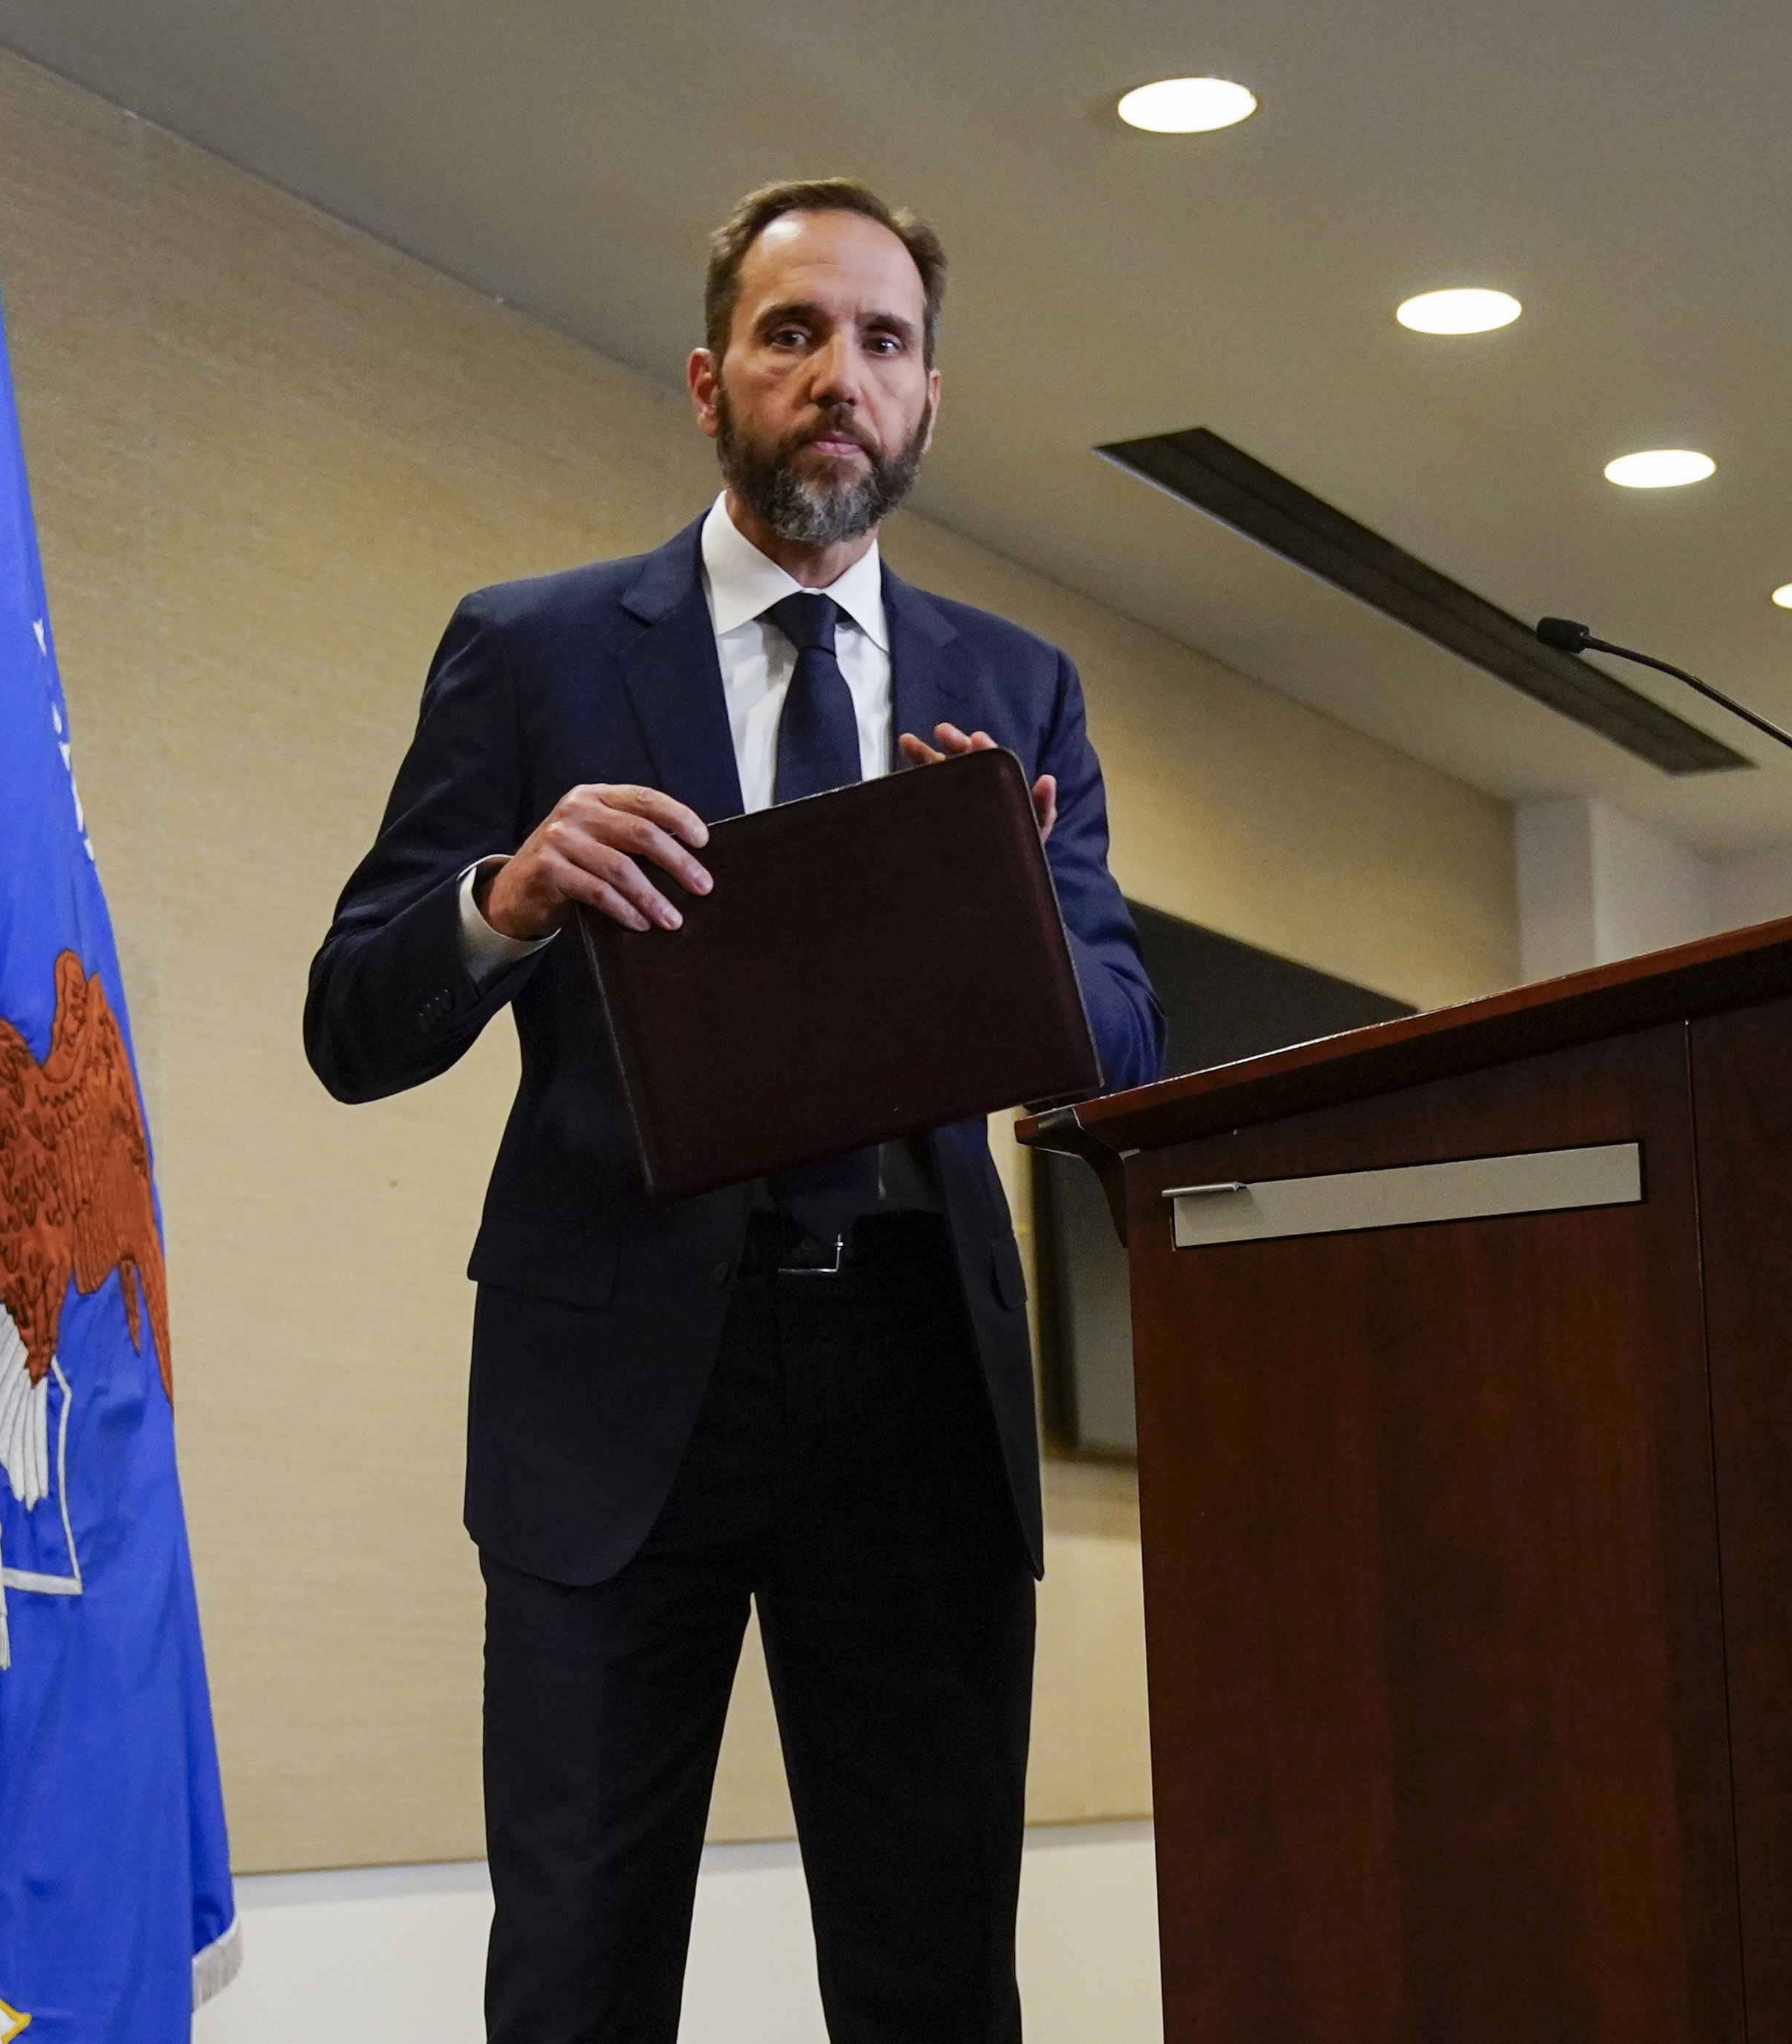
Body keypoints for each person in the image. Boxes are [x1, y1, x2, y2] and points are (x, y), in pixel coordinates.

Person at [305, 177, 1163, 2044]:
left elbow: (1120, 1038)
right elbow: (352, 1017)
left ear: (929, 402)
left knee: (931, 1972)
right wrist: (504, 900)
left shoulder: (1014, 694)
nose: (833, 375)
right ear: (708, 380)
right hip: (612, 1391)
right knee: (576, 1968)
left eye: (878, 342)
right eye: (791, 334)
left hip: (916, 1386)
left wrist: (999, 930)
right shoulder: (528, 652)